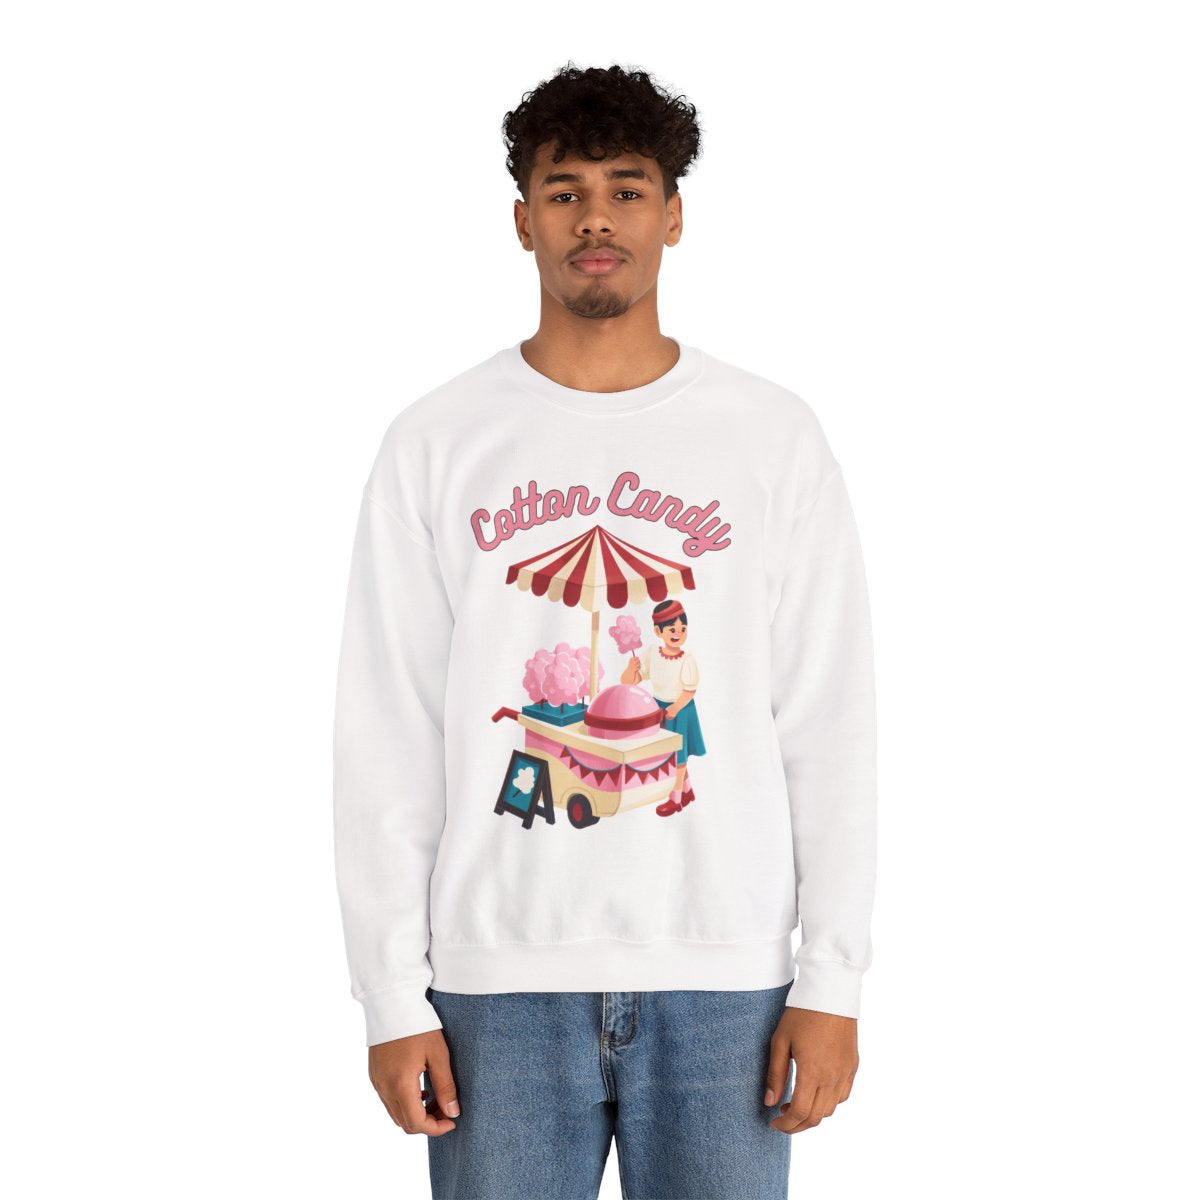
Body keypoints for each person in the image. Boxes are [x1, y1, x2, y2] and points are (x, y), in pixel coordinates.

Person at [333, 62, 878, 1199]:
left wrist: (831, 979)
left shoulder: (769, 437)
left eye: (627, 190)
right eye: (565, 191)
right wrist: (390, 994)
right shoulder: (438, 441)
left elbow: (829, 719)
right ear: (522, 219)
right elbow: (387, 727)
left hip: (727, 977)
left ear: (673, 215)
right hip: (493, 982)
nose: (596, 219)